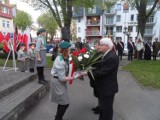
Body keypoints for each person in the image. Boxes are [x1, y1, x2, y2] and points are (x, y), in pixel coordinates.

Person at [82, 37, 119, 120]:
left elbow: (102, 72)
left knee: (107, 110)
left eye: (101, 45)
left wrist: (87, 73)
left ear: (106, 46)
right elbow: (98, 67)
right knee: (103, 108)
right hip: (103, 87)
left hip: (107, 88)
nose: (99, 47)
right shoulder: (105, 55)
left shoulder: (111, 57)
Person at [50, 41, 82, 120]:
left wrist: (79, 69)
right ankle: (58, 118)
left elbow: (70, 67)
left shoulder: (64, 57)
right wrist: (75, 76)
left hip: (60, 82)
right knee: (65, 103)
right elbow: (62, 78)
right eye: (69, 50)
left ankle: (58, 118)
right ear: (65, 51)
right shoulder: (60, 61)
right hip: (58, 82)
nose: (70, 51)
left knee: (62, 102)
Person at [88, 40, 101, 114]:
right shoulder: (95, 53)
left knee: (99, 93)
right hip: (94, 77)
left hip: (97, 76)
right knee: (97, 93)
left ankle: (101, 108)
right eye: (94, 44)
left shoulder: (100, 55)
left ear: (99, 46)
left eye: (95, 45)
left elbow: (98, 66)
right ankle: (99, 106)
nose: (94, 46)